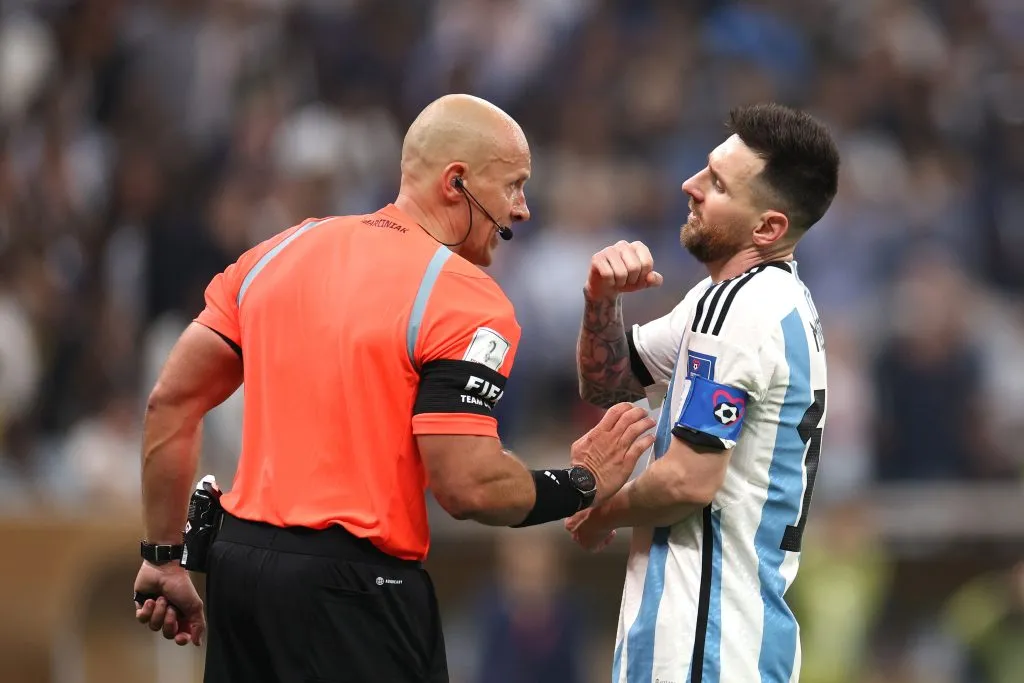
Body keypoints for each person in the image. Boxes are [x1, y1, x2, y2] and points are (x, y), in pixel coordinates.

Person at [131, 93, 656, 683]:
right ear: (457, 182)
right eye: (513, 186)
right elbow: (469, 486)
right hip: (356, 594)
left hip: (240, 576)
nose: (523, 209)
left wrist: (162, 557)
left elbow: (170, 401)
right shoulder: (464, 296)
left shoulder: (278, 251)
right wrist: (584, 482)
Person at [567, 102, 840, 683]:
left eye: (716, 184)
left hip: (700, 640)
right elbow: (608, 381)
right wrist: (601, 301)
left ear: (767, 227)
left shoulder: (738, 309)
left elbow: (690, 480)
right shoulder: (766, 303)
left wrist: (599, 512)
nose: (688, 186)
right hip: (745, 639)